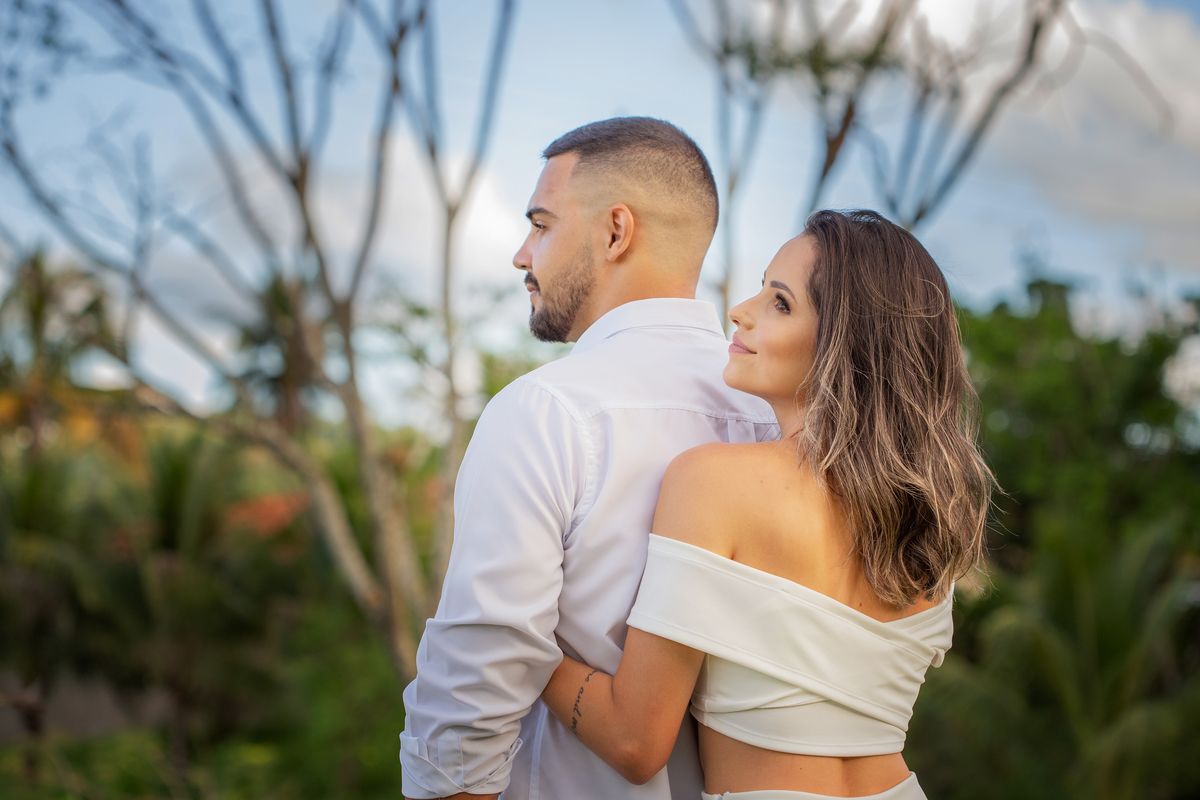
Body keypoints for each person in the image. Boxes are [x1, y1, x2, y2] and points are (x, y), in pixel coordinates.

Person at [540, 210, 995, 800]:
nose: (740, 311)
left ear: (845, 344)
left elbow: (635, 742)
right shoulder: (934, 515)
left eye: (780, 303)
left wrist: (523, 647)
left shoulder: (715, 482)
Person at [399, 117, 777, 800]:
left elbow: (471, 697)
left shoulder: (545, 410)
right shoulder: (779, 422)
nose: (521, 254)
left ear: (615, 231)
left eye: (541, 224)